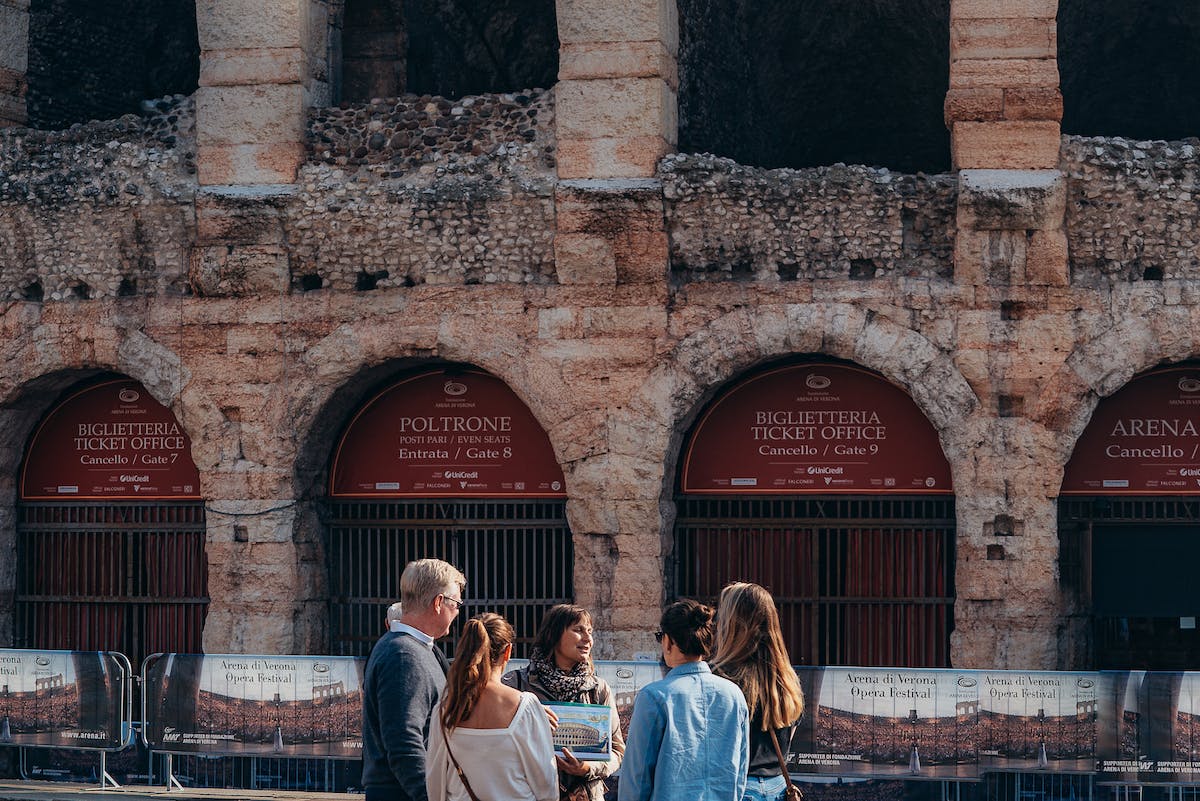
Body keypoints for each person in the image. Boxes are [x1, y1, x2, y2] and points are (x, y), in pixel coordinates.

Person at [618, 599, 749, 801]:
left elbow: (637, 775)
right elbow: (740, 771)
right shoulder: (734, 695)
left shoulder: (654, 696)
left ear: (669, 641)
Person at [362, 559, 467, 801]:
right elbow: (404, 743)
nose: (458, 611)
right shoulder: (404, 655)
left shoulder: (414, 648)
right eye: (457, 603)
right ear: (439, 603)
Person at [427, 612, 558, 801]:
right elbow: (546, 788)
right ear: (508, 652)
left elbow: (435, 785)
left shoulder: (446, 709)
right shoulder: (525, 707)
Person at [503, 604, 625, 801]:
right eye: (578, 630)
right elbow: (496, 743)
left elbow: (617, 751)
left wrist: (587, 768)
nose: (588, 639)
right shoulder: (516, 684)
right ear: (553, 634)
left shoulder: (598, 689)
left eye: (590, 632)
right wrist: (528, 715)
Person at [711, 582, 805, 801]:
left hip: (737, 786)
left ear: (732, 623)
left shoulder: (719, 676)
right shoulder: (786, 679)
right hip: (779, 788)